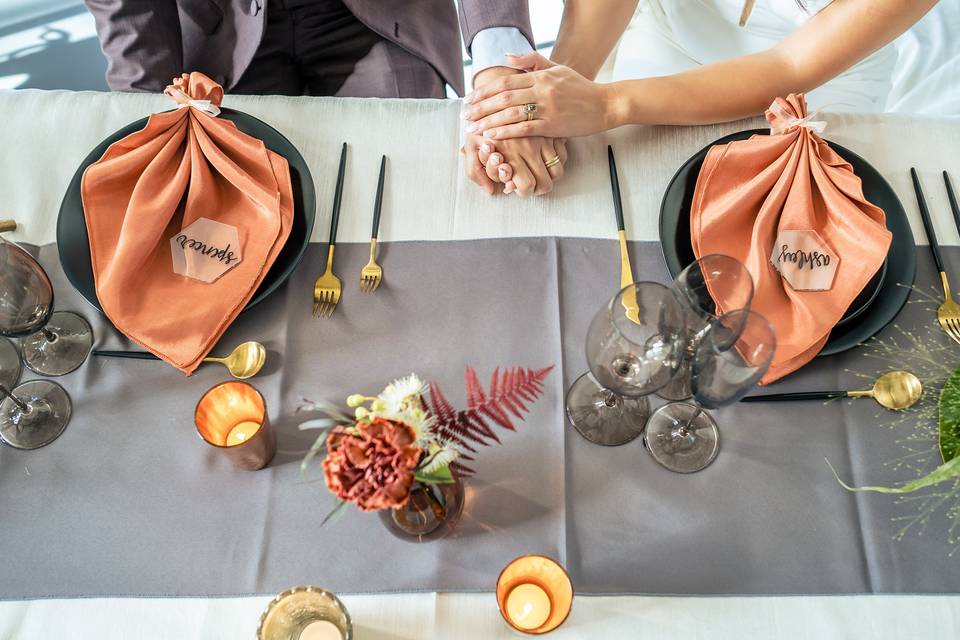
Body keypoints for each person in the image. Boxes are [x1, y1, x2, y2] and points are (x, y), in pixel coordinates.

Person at [463, 0, 939, 196]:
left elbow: (790, 67)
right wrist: (546, 93)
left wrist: (607, 104)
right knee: (622, 198)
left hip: (817, 84)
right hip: (669, 36)